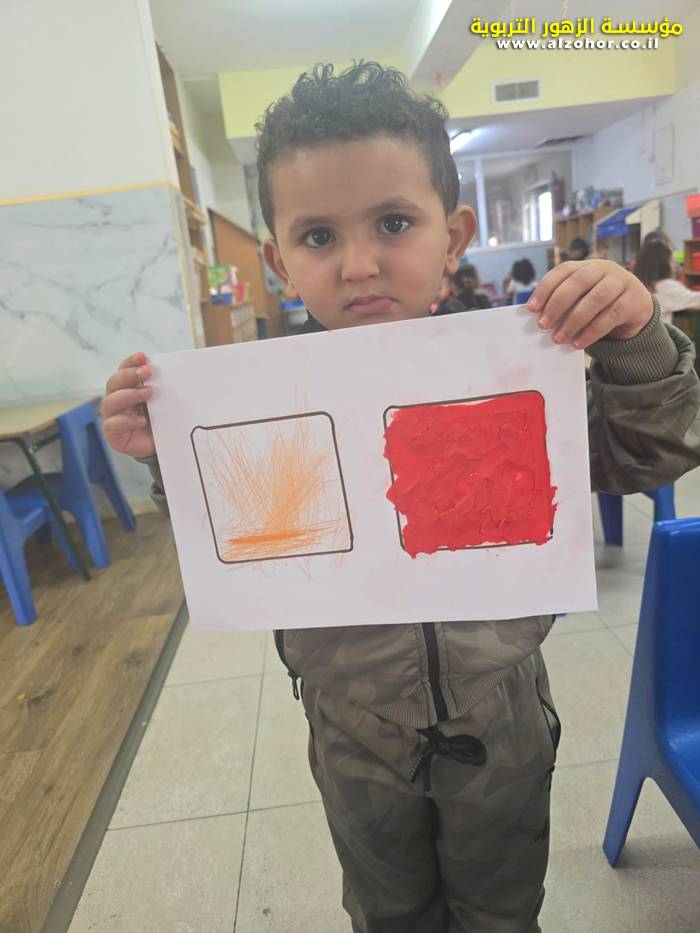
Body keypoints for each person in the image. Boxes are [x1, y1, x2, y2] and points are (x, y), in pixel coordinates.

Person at [101, 62, 700, 933]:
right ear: (277, 260)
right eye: (317, 236)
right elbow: (235, 531)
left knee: (502, 909)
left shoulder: (517, 367)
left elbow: (652, 452)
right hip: (352, 718)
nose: (359, 264)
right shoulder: (261, 399)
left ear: (453, 236)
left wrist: (637, 339)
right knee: (389, 910)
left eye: (393, 222)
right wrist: (167, 451)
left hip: (500, 707)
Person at [636, 238, 700, 325]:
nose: (675, 264)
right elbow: (697, 300)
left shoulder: (637, 284)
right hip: (656, 334)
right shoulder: (665, 286)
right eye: (671, 259)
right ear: (664, 263)